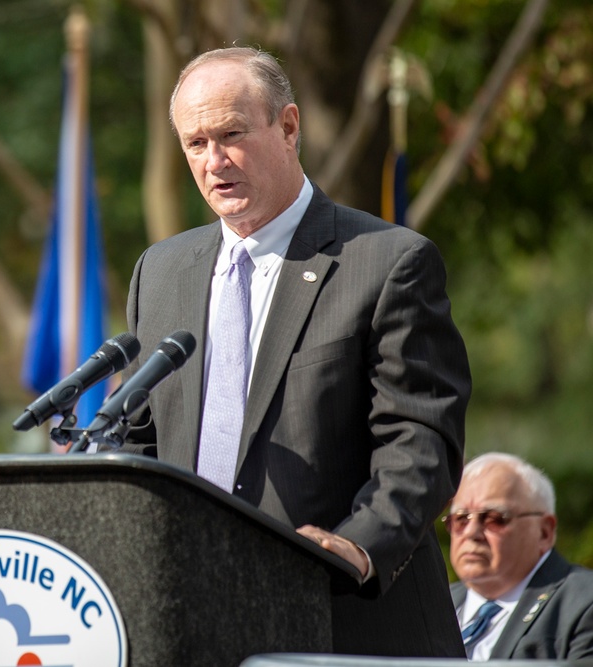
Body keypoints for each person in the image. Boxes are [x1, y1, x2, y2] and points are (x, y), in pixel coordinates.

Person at [117, 46, 472, 656]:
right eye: (195, 144)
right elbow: (140, 439)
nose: (214, 161)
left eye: (231, 134)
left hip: (344, 621)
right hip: (193, 624)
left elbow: (421, 438)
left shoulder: (388, 262)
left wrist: (359, 547)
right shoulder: (162, 271)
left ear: (288, 127)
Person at [447, 452, 593, 660]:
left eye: (494, 519)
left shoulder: (583, 604)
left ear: (544, 532)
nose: (471, 533)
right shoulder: (433, 608)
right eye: (460, 519)